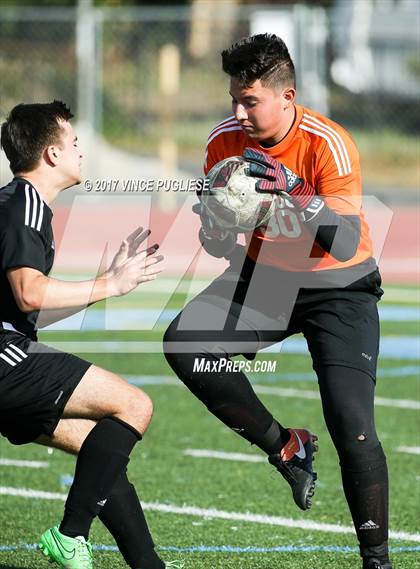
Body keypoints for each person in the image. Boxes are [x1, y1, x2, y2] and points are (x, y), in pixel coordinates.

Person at [164, 34, 391, 569]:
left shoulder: (327, 143)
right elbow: (218, 244)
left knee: (352, 424)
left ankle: (377, 561)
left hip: (340, 285)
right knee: (186, 343)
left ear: (287, 97)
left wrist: (295, 189)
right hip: (268, 278)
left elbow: (339, 239)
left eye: (251, 101)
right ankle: (288, 447)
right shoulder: (223, 141)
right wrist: (214, 222)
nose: (238, 112)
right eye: (234, 100)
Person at [0, 101, 183, 569]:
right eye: (74, 141)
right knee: (134, 404)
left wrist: (106, 286)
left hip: (9, 349)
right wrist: (110, 284)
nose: (81, 149)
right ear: (52, 155)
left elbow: (28, 311)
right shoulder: (25, 206)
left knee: (99, 450)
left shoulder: (18, 204)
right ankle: (70, 535)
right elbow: (28, 292)